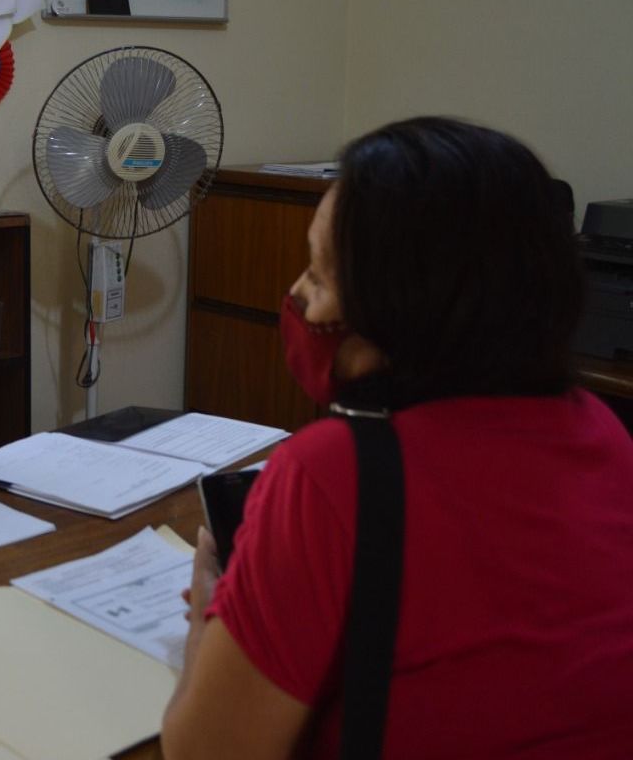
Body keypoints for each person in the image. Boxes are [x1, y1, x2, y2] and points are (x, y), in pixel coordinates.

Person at [162, 117, 633, 758]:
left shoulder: (333, 474)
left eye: (319, 278)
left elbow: (203, 753)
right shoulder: (601, 428)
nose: (296, 294)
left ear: (400, 309)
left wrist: (208, 612)